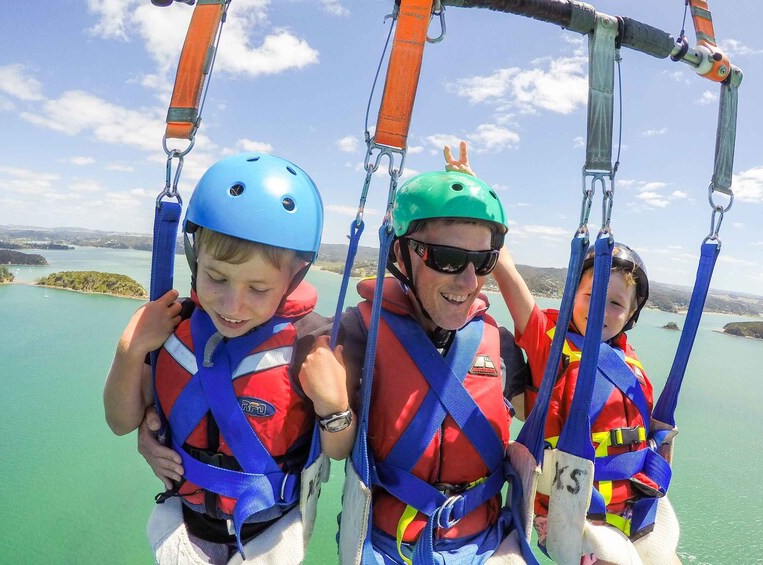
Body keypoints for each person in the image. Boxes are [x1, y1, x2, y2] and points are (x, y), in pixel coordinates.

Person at [103, 152, 353, 565]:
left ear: (293, 280)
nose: (233, 304)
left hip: (270, 534)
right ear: (195, 260)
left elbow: (339, 450)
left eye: (258, 288)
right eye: (216, 277)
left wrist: (334, 408)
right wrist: (129, 350)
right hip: (184, 524)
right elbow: (121, 422)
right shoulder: (168, 326)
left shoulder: (312, 342)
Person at [328, 145, 534, 565]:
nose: (469, 280)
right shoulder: (359, 334)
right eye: (448, 258)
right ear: (401, 255)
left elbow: (552, 410)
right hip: (388, 549)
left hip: (487, 547)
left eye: (483, 260)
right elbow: (328, 444)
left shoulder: (499, 344)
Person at [493, 241, 681, 563]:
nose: (600, 312)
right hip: (572, 515)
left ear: (632, 312)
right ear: (571, 296)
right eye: (591, 297)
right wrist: (491, 241)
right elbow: (510, 279)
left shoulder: (628, 362)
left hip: (635, 509)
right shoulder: (550, 346)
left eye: (616, 303)